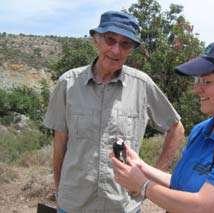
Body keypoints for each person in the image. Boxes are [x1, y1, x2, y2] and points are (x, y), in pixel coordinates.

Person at [111, 38, 214, 212]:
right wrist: (141, 166)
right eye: (198, 81)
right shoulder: (202, 130)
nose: (197, 90)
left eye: (207, 82)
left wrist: (143, 185)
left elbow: (203, 206)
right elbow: (183, 186)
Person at [43, 10, 184, 213]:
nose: (116, 50)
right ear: (96, 40)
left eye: (125, 44)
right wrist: (60, 190)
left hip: (122, 205)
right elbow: (60, 143)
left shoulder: (141, 84)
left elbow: (176, 128)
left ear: (131, 49)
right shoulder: (68, 83)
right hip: (74, 203)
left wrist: (150, 179)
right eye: (110, 40)